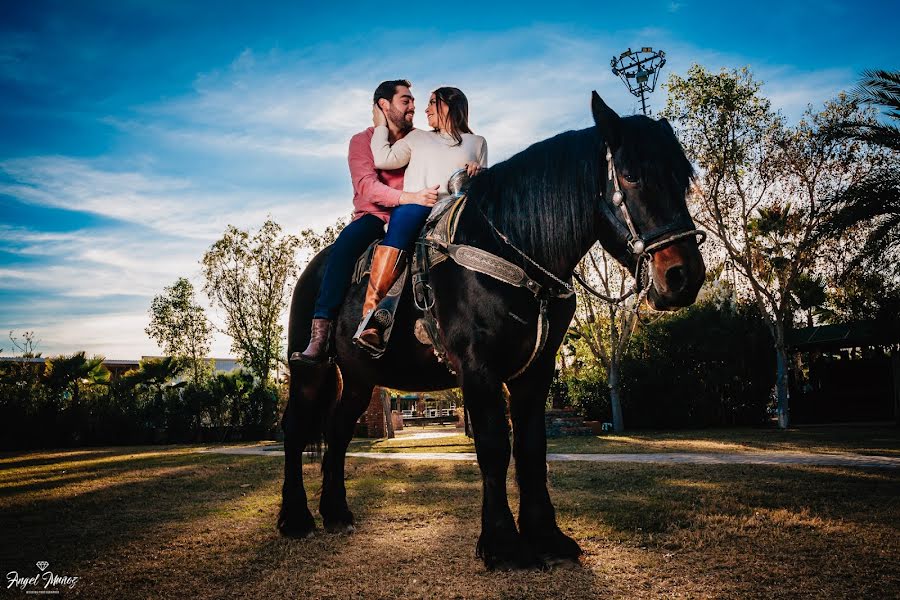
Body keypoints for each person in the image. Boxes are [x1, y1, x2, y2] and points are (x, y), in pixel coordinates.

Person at [291, 79, 441, 365]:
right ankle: (321, 335)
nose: (413, 107)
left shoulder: (421, 138)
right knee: (344, 249)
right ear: (384, 105)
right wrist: (410, 197)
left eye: (412, 101)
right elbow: (367, 188)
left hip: (421, 212)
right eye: (405, 100)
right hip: (375, 216)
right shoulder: (361, 141)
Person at [353, 86, 488, 354]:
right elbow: (383, 158)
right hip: (418, 206)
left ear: (448, 105)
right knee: (403, 224)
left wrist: (479, 173)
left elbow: (483, 191)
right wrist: (381, 124)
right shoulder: (417, 138)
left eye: (431, 103)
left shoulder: (478, 143)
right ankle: (371, 318)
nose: (425, 109)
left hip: (456, 211)